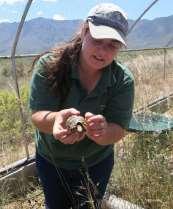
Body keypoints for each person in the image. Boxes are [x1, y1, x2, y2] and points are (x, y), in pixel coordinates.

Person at [29, 2, 134, 209]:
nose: (102, 51)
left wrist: (103, 131)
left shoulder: (122, 80)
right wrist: (55, 120)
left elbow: (119, 129)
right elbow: (37, 115)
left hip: (96, 163)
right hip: (52, 162)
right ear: (85, 30)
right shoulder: (50, 66)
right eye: (97, 39)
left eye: (112, 44)